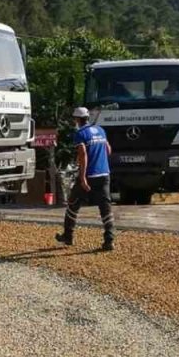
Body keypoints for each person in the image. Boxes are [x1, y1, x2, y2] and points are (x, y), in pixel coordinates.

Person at [57, 107, 115, 251]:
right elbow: (108, 149)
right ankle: (109, 240)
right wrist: (99, 158)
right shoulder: (101, 130)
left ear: (77, 119)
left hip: (89, 175)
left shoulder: (80, 134)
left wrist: (82, 177)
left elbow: (82, 154)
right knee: (105, 207)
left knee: (73, 203)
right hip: (104, 174)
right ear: (88, 118)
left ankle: (68, 235)